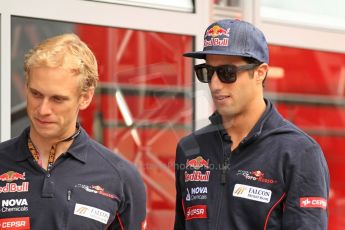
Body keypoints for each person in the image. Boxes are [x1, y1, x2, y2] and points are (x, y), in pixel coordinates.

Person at [174, 19, 329, 229]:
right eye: (207, 72)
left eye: (227, 73)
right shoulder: (190, 148)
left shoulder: (299, 152)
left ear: (260, 72)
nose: (215, 85)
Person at [0, 34, 146, 229]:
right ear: (26, 88)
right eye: (36, 94)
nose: (43, 109)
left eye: (57, 99)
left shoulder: (120, 177)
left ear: (85, 98)